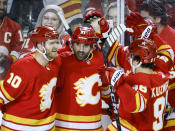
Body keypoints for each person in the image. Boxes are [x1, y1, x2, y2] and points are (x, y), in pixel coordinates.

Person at [98, 38, 170, 131]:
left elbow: (136, 105)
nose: (129, 60)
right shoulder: (161, 74)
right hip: (155, 127)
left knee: (114, 127)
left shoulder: (143, 83)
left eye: (131, 57)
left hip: (139, 127)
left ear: (137, 61)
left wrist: (118, 82)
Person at [0, 26, 62, 130]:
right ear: (40, 46)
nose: (57, 46)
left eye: (57, 42)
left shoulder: (56, 61)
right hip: (18, 127)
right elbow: (2, 97)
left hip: (46, 127)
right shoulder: (23, 66)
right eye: (52, 43)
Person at [55, 25, 105, 130]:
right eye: (78, 44)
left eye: (86, 45)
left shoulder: (100, 61)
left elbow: (105, 89)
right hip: (63, 127)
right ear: (72, 45)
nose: (81, 50)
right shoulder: (62, 60)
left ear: (92, 47)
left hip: (93, 126)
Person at [138, 1, 175, 129]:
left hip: (169, 106)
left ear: (158, 19)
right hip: (151, 103)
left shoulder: (172, 39)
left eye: (145, 19)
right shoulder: (145, 36)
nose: (141, 22)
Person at [0, 0, 24, 80]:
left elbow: (19, 51)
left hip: (6, 79)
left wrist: (6, 59)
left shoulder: (15, 27)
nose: (2, 7)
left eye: (5, 3)